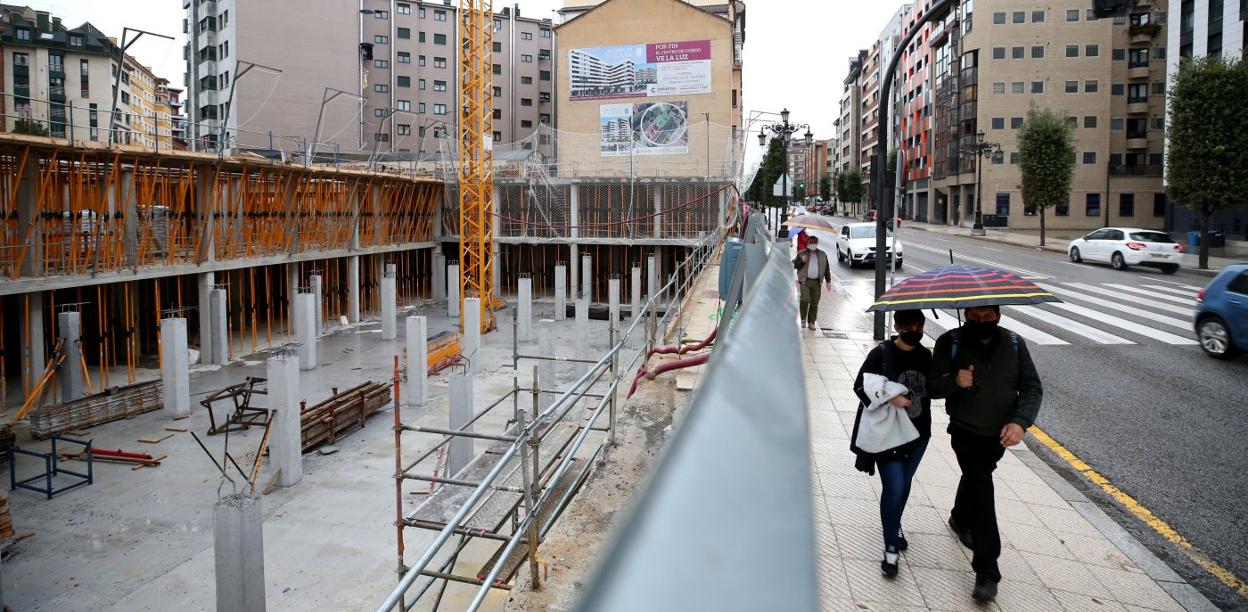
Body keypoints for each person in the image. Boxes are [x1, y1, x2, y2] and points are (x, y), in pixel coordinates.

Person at [929, 305, 1043, 602]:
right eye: (974, 317)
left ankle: (958, 517)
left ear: (998, 316)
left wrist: (1020, 422)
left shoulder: (1015, 343)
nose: (981, 321)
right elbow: (931, 387)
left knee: (976, 476)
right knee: (982, 488)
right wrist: (955, 381)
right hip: (965, 430)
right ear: (966, 315)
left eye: (987, 317)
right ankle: (987, 570)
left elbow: (1032, 387)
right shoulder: (950, 342)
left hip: (999, 434)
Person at [850, 309, 932, 578]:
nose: (914, 330)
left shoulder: (925, 356)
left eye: (919, 326)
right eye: (908, 326)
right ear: (896, 326)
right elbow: (860, 387)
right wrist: (889, 397)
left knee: (904, 485)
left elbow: (934, 389)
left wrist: (958, 379)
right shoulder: (881, 354)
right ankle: (890, 550)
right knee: (894, 486)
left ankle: (895, 524)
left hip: (919, 433)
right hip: (888, 435)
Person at [792, 234, 831, 330]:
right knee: (804, 299)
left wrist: (828, 281)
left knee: (814, 302)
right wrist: (802, 261)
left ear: (817, 244)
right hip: (805, 281)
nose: (813, 245)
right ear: (808, 244)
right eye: (811, 243)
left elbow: (826, 268)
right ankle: (803, 319)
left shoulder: (822, 254)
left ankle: (811, 322)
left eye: (814, 243)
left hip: (817, 282)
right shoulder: (802, 253)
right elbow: (794, 265)